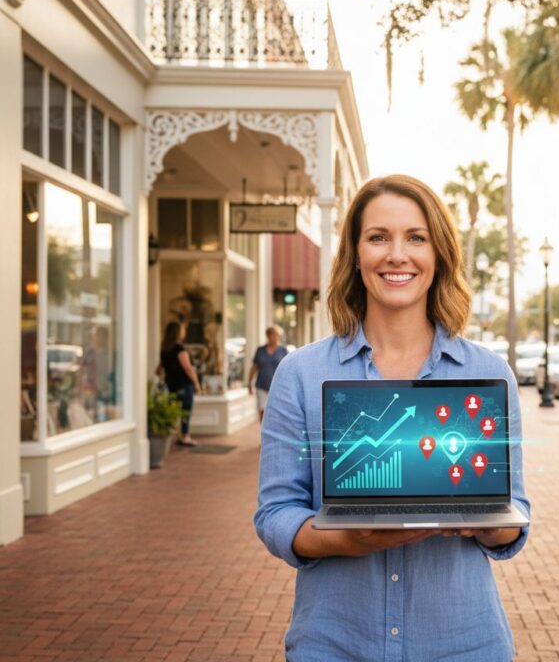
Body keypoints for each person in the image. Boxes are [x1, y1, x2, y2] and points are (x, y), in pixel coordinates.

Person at [254, 174, 529, 661]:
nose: (396, 255)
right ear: (355, 254)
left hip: (465, 645)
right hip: (334, 644)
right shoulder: (300, 374)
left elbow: (515, 521)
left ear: (438, 254)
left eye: (416, 238)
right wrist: (345, 540)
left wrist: (482, 521)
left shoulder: (489, 373)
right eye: (378, 237)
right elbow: (275, 514)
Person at [157, 321, 201, 447]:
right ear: (177, 333)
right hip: (184, 385)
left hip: (171, 385)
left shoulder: (165, 350)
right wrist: (197, 384)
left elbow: (158, 370)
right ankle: (185, 436)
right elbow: (188, 368)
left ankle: (177, 435)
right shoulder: (179, 349)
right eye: (182, 330)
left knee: (175, 412)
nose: (184, 332)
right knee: (186, 411)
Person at [248, 326, 289, 422]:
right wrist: (249, 383)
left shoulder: (283, 350)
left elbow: (288, 368)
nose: (273, 337)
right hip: (261, 385)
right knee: (262, 410)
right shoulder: (260, 350)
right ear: (267, 336)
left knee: (275, 412)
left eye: (275, 334)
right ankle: (264, 431)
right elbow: (254, 367)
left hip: (277, 386)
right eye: (271, 334)